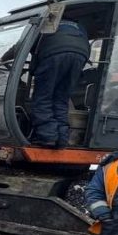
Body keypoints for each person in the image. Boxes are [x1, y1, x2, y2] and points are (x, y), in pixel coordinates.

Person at [30, 19, 90, 148]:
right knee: (61, 99)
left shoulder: (45, 23)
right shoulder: (79, 26)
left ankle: (48, 136)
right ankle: (62, 138)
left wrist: (3, 59)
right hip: (80, 55)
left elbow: (22, 45)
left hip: (54, 53)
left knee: (43, 97)